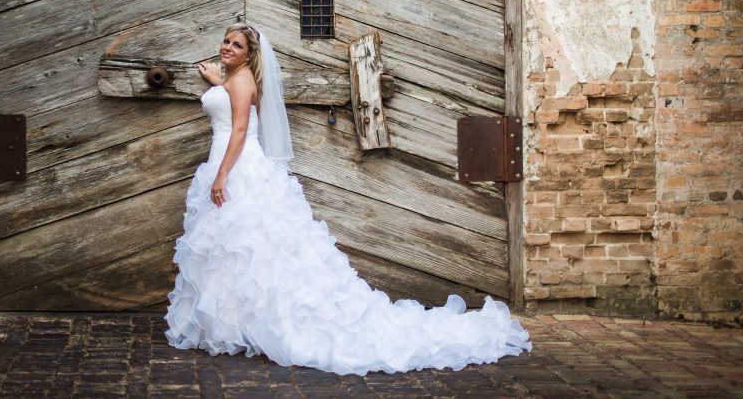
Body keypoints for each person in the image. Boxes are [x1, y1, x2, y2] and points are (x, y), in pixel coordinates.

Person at [164, 24, 532, 376]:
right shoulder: (235, 80)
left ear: (249, 55)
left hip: (238, 168)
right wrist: (218, 81)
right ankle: (237, 324)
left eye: (237, 45)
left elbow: (241, 129)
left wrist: (223, 173)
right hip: (231, 164)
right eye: (226, 41)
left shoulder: (241, 80)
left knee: (251, 247)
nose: (227, 47)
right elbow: (231, 103)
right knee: (237, 249)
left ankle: (257, 323)